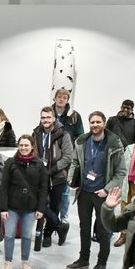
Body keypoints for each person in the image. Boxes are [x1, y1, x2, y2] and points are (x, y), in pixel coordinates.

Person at [65, 111, 127, 269]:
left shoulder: (114, 144)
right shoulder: (82, 141)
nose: (95, 125)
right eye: (92, 122)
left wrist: (107, 189)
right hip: (84, 192)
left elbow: (121, 172)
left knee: (103, 231)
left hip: (103, 194)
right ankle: (83, 259)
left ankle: (101, 263)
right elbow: (75, 162)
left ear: (104, 123)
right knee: (84, 228)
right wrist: (72, 179)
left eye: (98, 122)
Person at [0, 135, 47, 269]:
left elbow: (43, 188)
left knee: (26, 235)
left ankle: (25, 261)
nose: (23, 148)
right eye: (21, 145)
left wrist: (40, 208)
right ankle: (8, 261)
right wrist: (3, 208)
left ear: (32, 146)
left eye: (26, 145)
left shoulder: (39, 164)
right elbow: (4, 187)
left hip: (30, 208)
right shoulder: (10, 163)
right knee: (9, 235)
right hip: (12, 207)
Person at [32, 106, 72, 248]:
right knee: (38, 203)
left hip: (57, 176)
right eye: (43, 117)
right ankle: (60, 226)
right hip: (39, 175)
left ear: (54, 118)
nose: (46, 120)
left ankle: (47, 233)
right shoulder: (36, 133)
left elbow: (68, 157)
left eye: (48, 117)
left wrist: (53, 170)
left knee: (54, 206)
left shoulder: (63, 134)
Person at [53, 89, 84, 222]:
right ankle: (50, 217)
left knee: (65, 190)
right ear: (55, 98)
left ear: (67, 100)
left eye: (64, 97)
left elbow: (81, 136)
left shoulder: (74, 116)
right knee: (50, 188)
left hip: (67, 157)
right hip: (51, 156)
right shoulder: (48, 113)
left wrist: (73, 152)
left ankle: (63, 217)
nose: (61, 99)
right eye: (59, 97)